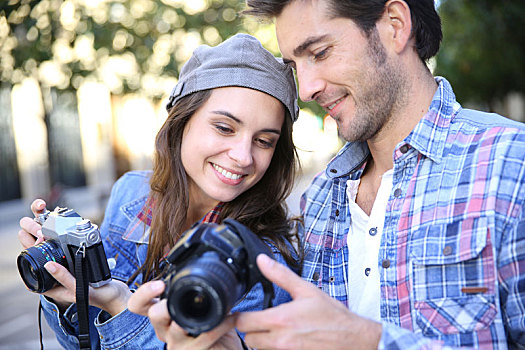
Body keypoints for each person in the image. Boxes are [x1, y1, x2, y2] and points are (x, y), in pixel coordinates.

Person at [231, 0, 525, 348]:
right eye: (295, 66)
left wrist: (369, 341)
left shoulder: (511, 166)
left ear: (395, 25)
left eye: (321, 53)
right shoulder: (321, 196)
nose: (306, 88)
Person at [17, 33, 302, 349]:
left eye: (264, 141)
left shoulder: (264, 260)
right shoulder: (131, 193)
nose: (243, 156)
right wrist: (65, 292)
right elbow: (88, 344)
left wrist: (119, 306)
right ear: (182, 122)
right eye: (224, 128)